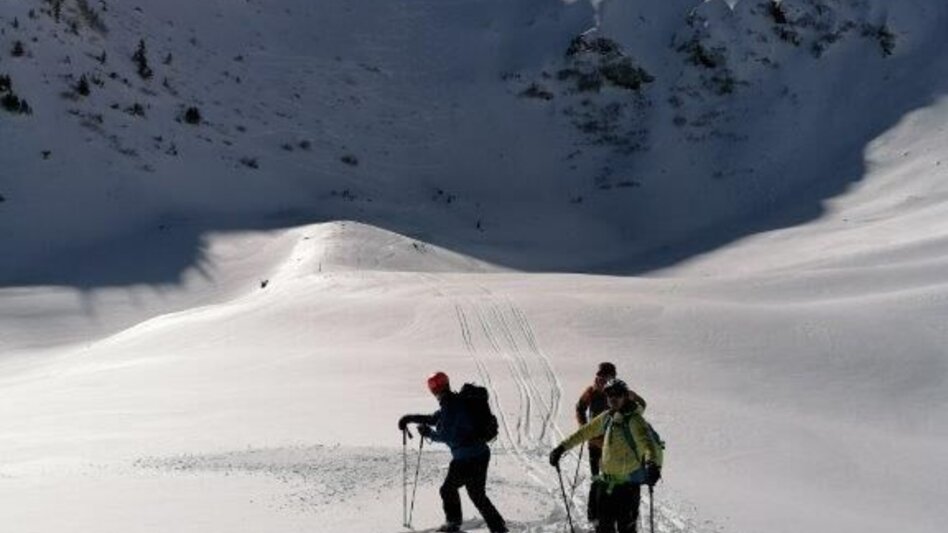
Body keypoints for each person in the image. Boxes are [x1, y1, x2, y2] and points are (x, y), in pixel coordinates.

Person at [398, 372, 508, 533]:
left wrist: (428, 433)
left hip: (467, 458)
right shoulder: (455, 401)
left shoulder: (450, 405)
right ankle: (498, 528)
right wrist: (409, 418)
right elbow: (435, 418)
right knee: (477, 494)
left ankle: (453, 524)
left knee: (447, 490)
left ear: (434, 390)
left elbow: (446, 435)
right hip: (480, 454)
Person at [554, 379, 661, 533]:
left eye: (617, 394)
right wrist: (561, 448)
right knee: (604, 528)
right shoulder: (607, 417)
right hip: (606, 486)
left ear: (625, 396)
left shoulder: (634, 419)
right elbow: (584, 432)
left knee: (626, 529)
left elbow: (647, 445)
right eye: (610, 394)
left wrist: (652, 464)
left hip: (628, 487)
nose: (613, 398)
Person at [575, 362, 647, 523]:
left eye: (605, 377)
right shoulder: (591, 392)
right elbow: (580, 407)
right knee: (597, 478)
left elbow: (641, 406)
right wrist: (584, 427)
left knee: (615, 480)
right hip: (595, 443)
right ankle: (594, 514)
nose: (601, 380)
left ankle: (614, 515)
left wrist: (633, 396)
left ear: (613, 377)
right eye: (599, 377)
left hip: (616, 445)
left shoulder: (620, 393)